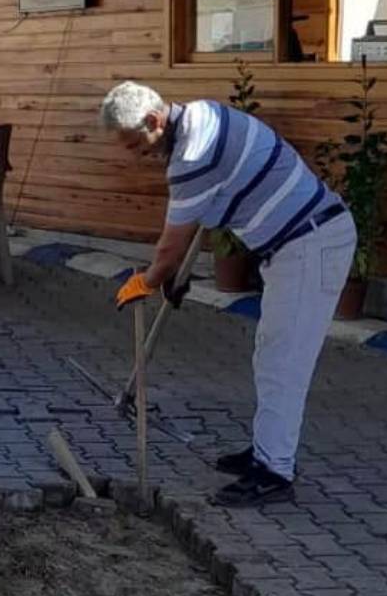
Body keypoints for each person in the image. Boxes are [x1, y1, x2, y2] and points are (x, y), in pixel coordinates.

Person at [100, 82, 356, 507]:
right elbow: (205, 216)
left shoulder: (191, 156)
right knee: (271, 353)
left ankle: (274, 471)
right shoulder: (202, 117)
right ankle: (266, 452)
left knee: (282, 361)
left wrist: (150, 279)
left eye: (135, 144)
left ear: (153, 120)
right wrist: (177, 278)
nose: (136, 155)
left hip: (310, 244)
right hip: (300, 244)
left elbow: (171, 245)